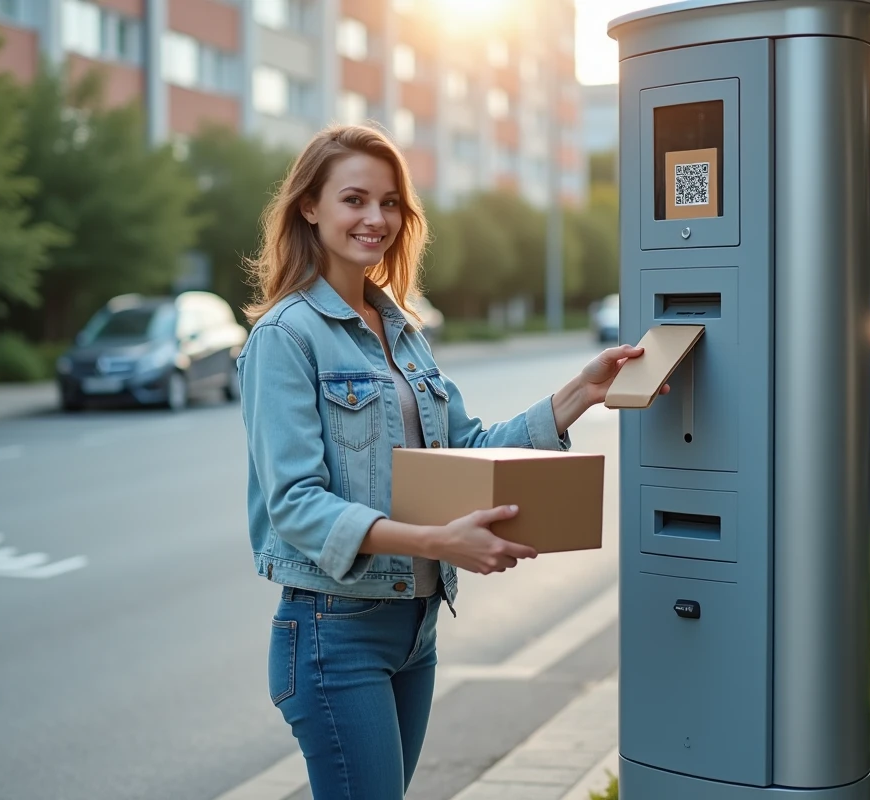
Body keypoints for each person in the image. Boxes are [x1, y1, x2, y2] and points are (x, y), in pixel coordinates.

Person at [236, 123, 662, 800]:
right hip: (334, 633)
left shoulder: (402, 331)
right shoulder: (285, 337)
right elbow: (296, 503)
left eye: (390, 202)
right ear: (309, 207)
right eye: (354, 200)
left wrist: (581, 392)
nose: (376, 218)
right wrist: (437, 541)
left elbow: (463, 451)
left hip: (416, 629)